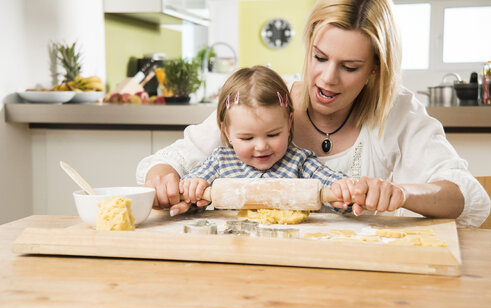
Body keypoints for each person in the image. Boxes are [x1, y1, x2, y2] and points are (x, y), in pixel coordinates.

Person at [137, 0, 490, 227]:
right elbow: (167, 162)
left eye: (349, 67)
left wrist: (399, 193)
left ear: (374, 71)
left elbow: (465, 195)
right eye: (320, 58)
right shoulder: (268, 102)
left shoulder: (398, 112)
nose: (327, 78)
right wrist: (167, 182)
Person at [177, 65, 391, 215]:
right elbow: (190, 201)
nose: (261, 146)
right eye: (247, 137)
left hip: (290, 247)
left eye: (273, 134)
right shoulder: (219, 161)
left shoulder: (299, 160)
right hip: (234, 246)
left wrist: (343, 190)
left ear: (289, 123)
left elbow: (332, 185)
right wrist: (192, 191)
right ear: (226, 131)